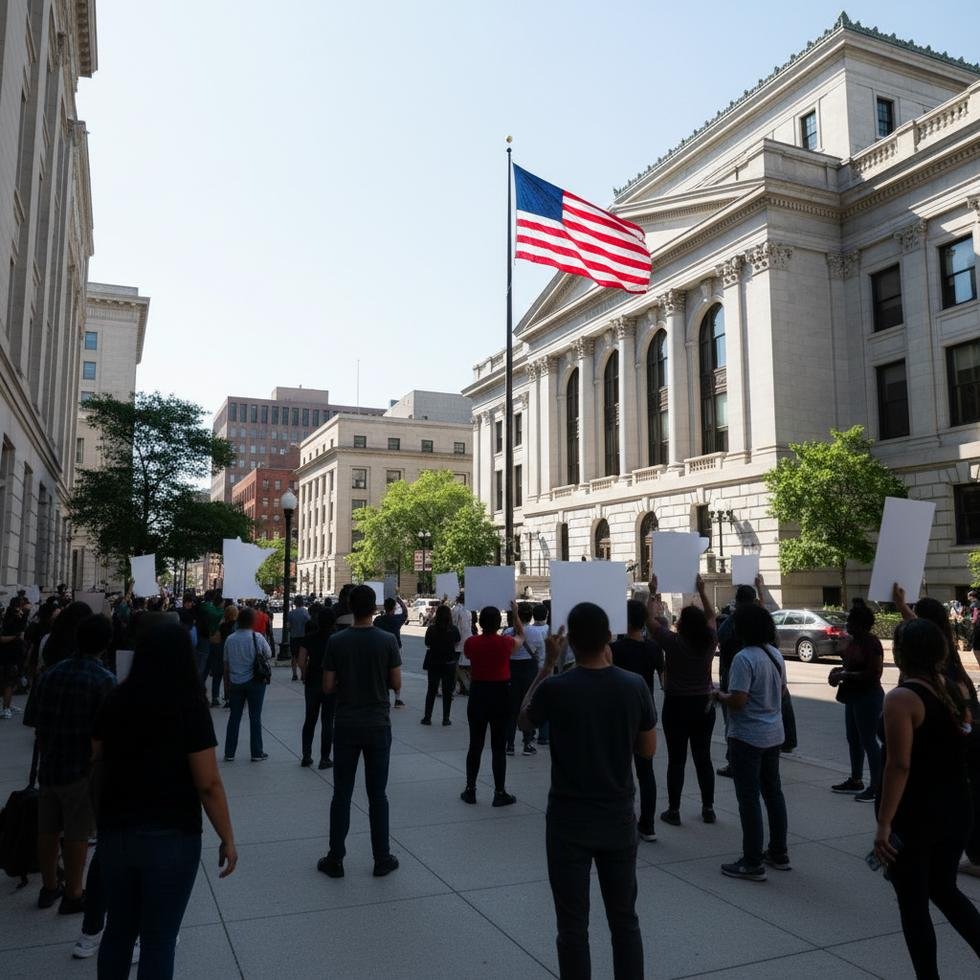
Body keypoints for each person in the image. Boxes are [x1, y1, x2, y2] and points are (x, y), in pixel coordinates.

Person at [92, 623, 237, 978]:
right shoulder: (189, 704)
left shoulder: (115, 698)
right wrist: (227, 837)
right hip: (171, 836)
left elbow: (95, 762)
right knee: (158, 939)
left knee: (117, 933)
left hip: (117, 831)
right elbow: (208, 783)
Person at [519, 603, 655, 980]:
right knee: (625, 921)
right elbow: (647, 750)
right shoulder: (634, 685)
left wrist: (547, 665)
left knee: (572, 928)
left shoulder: (557, 687)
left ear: (570, 643)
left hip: (568, 822)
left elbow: (524, 720)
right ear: (608, 637)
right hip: (617, 818)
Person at [874, 617, 980, 979]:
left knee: (914, 904)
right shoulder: (954, 688)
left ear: (901, 653)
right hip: (957, 808)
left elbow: (899, 765)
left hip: (917, 815)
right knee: (944, 888)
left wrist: (884, 823)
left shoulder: (902, 698)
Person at [894, 585, 980, 878]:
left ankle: (975, 855)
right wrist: (903, 607)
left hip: (962, 742)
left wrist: (884, 823)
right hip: (970, 734)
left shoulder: (931, 668)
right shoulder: (944, 649)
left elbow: (900, 764)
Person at [33, 614, 116, 913]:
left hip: (50, 762)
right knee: (77, 832)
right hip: (81, 768)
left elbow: (34, 720)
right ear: (106, 644)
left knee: (48, 828)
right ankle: (74, 893)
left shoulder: (50, 674)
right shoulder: (105, 680)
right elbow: (110, 730)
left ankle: (49, 886)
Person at [317, 585, 402, 878]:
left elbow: (327, 687)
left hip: (347, 724)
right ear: (375, 608)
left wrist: (348, 684)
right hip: (378, 723)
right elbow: (396, 683)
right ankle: (382, 858)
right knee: (378, 795)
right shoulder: (388, 640)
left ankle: (335, 858)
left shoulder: (337, 642)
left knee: (341, 793)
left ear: (351, 607)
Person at [715, 603, 790, 881]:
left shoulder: (743, 659)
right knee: (773, 793)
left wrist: (719, 695)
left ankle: (752, 861)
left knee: (748, 799)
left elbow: (738, 700)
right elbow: (782, 690)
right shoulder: (775, 655)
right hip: (773, 735)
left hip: (747, 737)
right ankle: (779, 852)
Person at [647, 574, 718, 826]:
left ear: (682, 625)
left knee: (676, 759)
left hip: (676, 705)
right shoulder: (710, 641)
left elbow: (650, 622)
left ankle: (674, 810)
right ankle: (708, 808)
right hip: (704, 706)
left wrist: (652, 593)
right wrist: (702, 591)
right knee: (703, 757)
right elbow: (712, 617)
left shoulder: (673, 642)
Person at [610, 598, 664, 841]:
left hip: (619, 714)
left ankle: (621, 820)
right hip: (646, 712)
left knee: (619, 771)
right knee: (646, 771)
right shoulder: (653, 649)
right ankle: (648, 825)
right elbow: (665, 682)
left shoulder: (616, 649)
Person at [459, 603, 524, 807]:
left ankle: (470, 789)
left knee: (475, 744)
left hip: (478, 693)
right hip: (500, 694)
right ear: (499, 624)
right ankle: (499, 791)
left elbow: (468, 655)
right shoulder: (505, 643)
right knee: (498, 746)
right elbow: (521, 636)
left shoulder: (471, 643)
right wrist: (515, 614)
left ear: (479, 622)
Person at [828, 598, 884, 802]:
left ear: (860, 625)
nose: (847, 625)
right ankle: (856, 779)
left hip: (868, 697)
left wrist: (844, 676)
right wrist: (839, 671)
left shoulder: (872, 643)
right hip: (853, 696)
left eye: (850, 622)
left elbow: (874, 673)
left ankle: (876, 786)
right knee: (853, 739)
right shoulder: (854, 641)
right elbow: (850, 666)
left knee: (869, 741)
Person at [715, 581, 762, 779]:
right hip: (757, 676)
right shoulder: (760, 621)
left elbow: (719, 637)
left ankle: (734, 763)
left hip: (733, 675)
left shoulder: (734, 620)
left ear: (738, 602)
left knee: (732, 722)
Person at [222, 606, 272, 762]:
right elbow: (268, 654)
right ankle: (256, 752)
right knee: (255, 717)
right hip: (255, 682)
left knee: (234, 717)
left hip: (235, 682)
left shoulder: (230, 639)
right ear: (252, 622)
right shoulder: (257, 638)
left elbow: (226, 665)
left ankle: (229, 752)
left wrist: (226, 687)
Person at [298, 606, 337, 769]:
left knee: (310, 719)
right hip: (331, 683)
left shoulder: (309, 638)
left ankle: (306, 756)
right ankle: (325, 758)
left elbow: (301, 661)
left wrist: (305, 674)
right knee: (327, 721)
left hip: (312, 681)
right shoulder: (337, 638)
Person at [505, 601, 544, 756]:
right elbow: (540, 652)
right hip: (529, 670)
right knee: (528, 706)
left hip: (512, 670)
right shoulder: (536, 633)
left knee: (512, 709)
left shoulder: (507, 632)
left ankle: (510, 744)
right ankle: (527, 743)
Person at [422, 605, 460, 726]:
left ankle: (427, 717)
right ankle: (446, 718)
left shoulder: (431, 629)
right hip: (449, 663)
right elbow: (457, 641)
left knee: (431, 690)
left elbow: (427, 643)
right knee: (447, 692)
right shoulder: (453, 629)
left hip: (434, 662)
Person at [374, 594, 408, 707]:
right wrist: (399, 599)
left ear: (384, 607)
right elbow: (405, 613)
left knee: (382, 671)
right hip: (395, 648)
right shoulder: (396, 620)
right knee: (395, 672)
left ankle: (382, 695)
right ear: (394, 608)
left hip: (380, 648)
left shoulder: (378, 620)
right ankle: (397, 699)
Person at [0, 596, 28, 719]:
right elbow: (2, 639)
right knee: (8, 682)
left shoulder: (13, 618)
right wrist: (16, 637)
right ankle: (5, 708)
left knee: (11, 682)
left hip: (13, 655)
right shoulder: (8, 620)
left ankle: (7, 706)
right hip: (7, 656)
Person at [451, 592, 473, 695]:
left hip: (458, 641)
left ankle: (457, 686)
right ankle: (465, 685)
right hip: (467, 640)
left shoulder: (456, 610)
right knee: (466, 665)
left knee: (456, 665)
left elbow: (453, 625)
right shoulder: (468, 611)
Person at [288, 596, 311, 681]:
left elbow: (289, 626)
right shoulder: (306, 613)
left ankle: (294, 674)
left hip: (294, 637)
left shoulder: (291, 613)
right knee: (304, 656)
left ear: (295, 603)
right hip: (304, 637)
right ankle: (303, 674)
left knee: (294, 656)